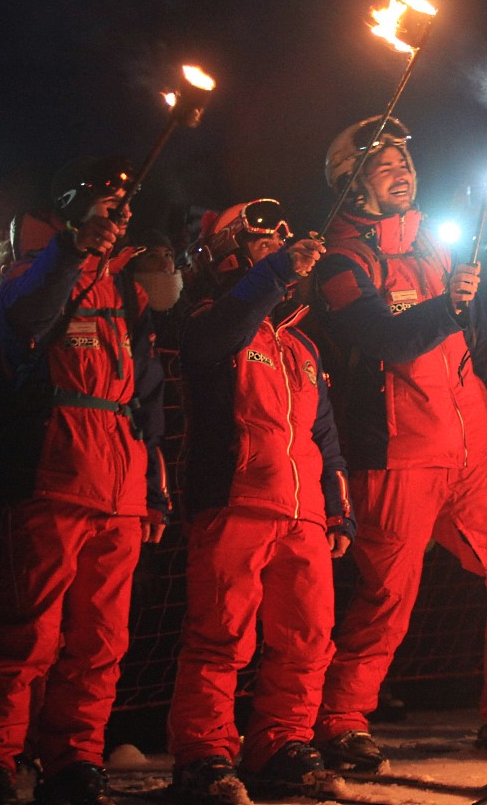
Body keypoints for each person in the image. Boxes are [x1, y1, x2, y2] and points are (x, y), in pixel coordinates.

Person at [312, 116, 487, 769]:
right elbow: (378, 336)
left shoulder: (440, 253)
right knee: (388, 598)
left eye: (406, 163)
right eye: (385, 165)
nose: (404, 172)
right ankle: (339, 720)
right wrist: (444, 306)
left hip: (473, 460)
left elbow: (485, 352)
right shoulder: (340, 259)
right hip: (395, 458)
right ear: (351, 184)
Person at [0, 156, 168, 805]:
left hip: (120, 490)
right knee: (27, 634)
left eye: (116, 210)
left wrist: (152, 490)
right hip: (53, 478)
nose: (111, 219)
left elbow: (146, 397)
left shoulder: (129, 293)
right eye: (97, 208)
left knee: (101, 643)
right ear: (71, 214)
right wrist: (73, 250)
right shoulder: (30, 275)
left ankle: (74, 760)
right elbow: (27, 320)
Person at [167, 199, 356, 803]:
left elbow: (325, 436)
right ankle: (205, 753)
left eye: (281, 238)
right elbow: (217, 334)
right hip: (233, 503)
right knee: (220, 634)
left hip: (301, 514)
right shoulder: (208, 321)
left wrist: (338, 506)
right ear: (228, 253)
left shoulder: (301, 345)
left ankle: (281, 742)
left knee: (307, 635)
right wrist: (274, 274)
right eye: (261, 240)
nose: (279, 246)